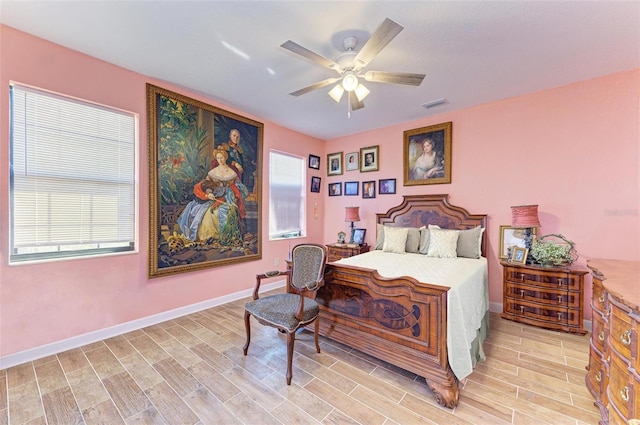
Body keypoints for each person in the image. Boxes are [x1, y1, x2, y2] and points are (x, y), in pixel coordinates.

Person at [177, 149, 248, 245]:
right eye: (218, 158)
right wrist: (209, 193)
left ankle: (226, 236)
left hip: (228, 197)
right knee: (208, 213)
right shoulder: (213, 172)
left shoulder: (232, 172)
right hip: (214, 197)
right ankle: (210, 237)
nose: (220, 160)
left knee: (227, 211)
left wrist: (234, 195)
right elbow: (207, 185)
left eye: (221, 158)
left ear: (225, 158)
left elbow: (238, 187)